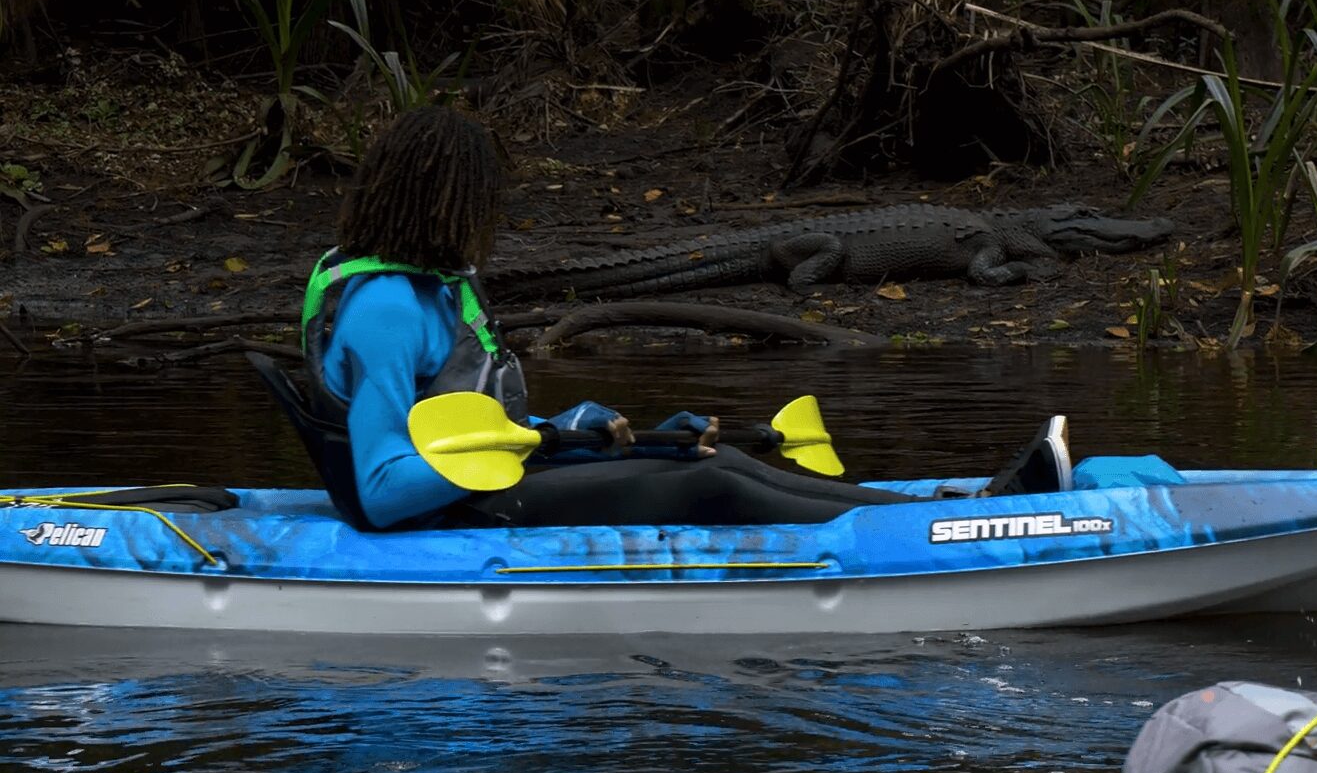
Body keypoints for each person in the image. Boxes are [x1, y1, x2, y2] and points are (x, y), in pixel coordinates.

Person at [298, 106, 1071, 531]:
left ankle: (946, 510)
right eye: (482, 199)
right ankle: (954, 523)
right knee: (710, 485)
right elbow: (382, 490)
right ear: (438, 200)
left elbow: (473, 417)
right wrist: (537, 442)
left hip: (489, 480)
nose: (490, 218)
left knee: (709, 456)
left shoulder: (433, 287)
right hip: (458, 512)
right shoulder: (389, 309)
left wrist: (579, 425)